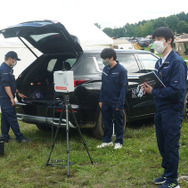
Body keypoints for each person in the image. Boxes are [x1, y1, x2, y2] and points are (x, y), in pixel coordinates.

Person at [142, 27, 187, 188]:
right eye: (154, 39)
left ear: (169, 40)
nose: (156, 42)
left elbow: (177, 91)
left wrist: (154, 91)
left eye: (159, 38)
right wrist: (147, 87)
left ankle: (173, 180)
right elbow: (158, 84)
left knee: (170, 145)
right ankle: (167, 173)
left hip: (172, 110)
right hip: (160, 108)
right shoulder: (159, 61)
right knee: (162, 144)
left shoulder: (177, 62)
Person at [97, 48, 128, 149]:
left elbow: (123, 88)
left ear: (112, 57)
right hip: (106, 101)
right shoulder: (105, 69)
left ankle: (119, 142)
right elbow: (103, 85)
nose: (104, 61)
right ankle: (107, 140)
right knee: (106, 122)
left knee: (118, 122)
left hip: (116, 102)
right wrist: (101, 99)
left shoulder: (121, 70)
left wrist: (120, 103)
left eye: (105, 58)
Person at [0, 51, 31, 143]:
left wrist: (18, 93)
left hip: (5, 98)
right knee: (12, 118)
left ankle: (5, 137)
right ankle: (20, 138)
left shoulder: (7, 69)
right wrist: (11, 98)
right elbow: (6, 86)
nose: (14, 62)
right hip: (5, 98)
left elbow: (11, 83)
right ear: (10, 59)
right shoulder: (4, 70)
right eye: (14, 60)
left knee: (5, 119)